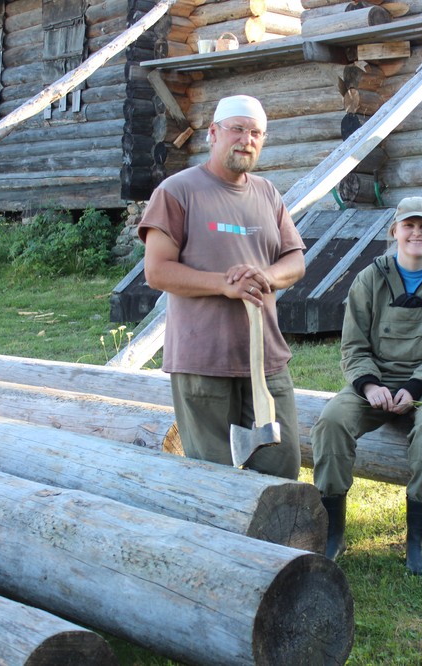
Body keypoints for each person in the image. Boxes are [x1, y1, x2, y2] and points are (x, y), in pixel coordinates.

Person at [137, 94, 306, 480]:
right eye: (237, 130)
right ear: (213, 133)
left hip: (265, 360)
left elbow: (294, 261)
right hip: (202, 360)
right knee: (212, 477)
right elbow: (157, 272)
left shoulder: (267, 193)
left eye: (256, 133)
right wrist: (224, 285)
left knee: (281, 468)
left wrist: (266, 277)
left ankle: (272, 541)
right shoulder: (177, 191)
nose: (247, 140)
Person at [310, 196, 422, 574]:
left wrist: (417, 387)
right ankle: (333, 532)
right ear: (394, 231)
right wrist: (369, 387)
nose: (416, 233)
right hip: (378, 377)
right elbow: (353, 347)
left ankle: (417, 541)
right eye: (409, 226)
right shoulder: (369, 279)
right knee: (332, 421)